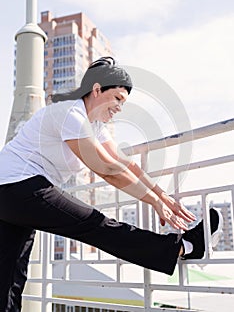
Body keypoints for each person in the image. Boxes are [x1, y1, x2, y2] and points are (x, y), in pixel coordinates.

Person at [0, 57, 223, 312]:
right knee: (95, 225)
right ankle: (185, 247)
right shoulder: (69, 113)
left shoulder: (95, 126)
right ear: (97, 90)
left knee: (9, 271)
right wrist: (153, 202)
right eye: (117, 98)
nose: (119, 107)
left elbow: (126, 164)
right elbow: (105, 169)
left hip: (11, 191)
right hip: (19, 186)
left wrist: (162, 197)